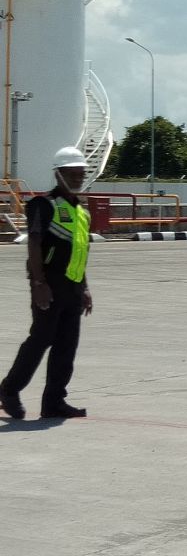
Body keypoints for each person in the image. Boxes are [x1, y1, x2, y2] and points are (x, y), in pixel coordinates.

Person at [0, 147, 95, 421]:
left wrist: (85, 286)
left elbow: (80, 251)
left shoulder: (81, 212)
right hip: (49, 285)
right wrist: (38, 282)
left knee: (67, 345)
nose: (78, 177)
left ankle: (54, 401)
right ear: (58, 174)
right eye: (72, 173)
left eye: (81, 173)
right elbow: (34, 243)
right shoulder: (44, 205)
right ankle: (9, 390)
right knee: (41, 339)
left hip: (73, 288)